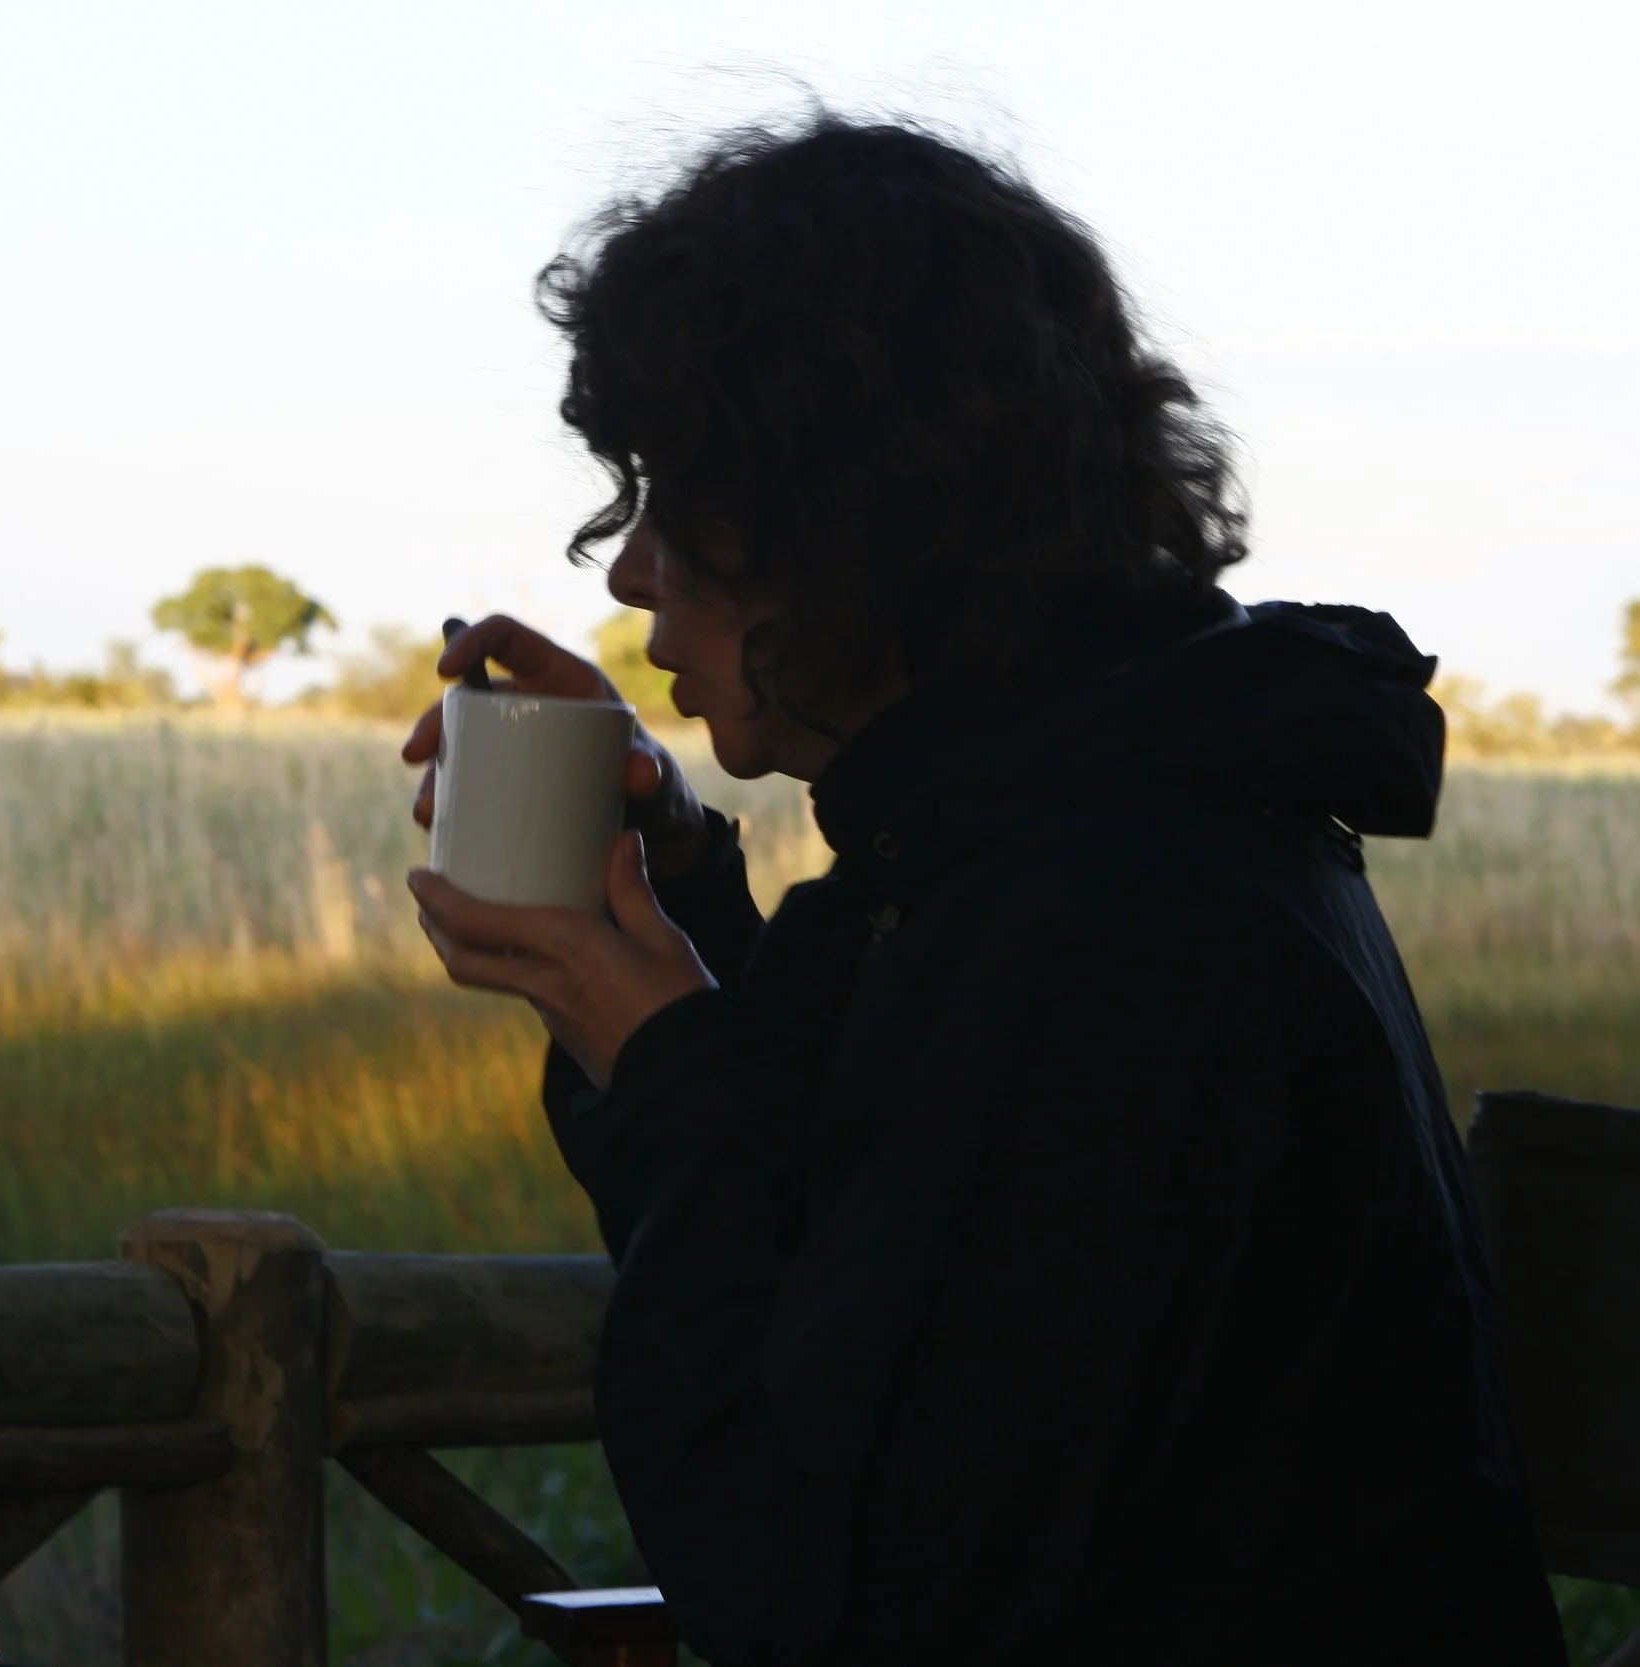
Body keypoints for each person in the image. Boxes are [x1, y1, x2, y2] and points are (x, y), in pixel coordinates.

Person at [401, 114, 1566, 1666]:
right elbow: (880, 1244)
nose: (627, 575)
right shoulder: (1096, 819)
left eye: (674, 498)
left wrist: (667, 1055)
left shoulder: (1111, 919)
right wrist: (672, 893)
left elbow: (825, 1583)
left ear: (842, 521)